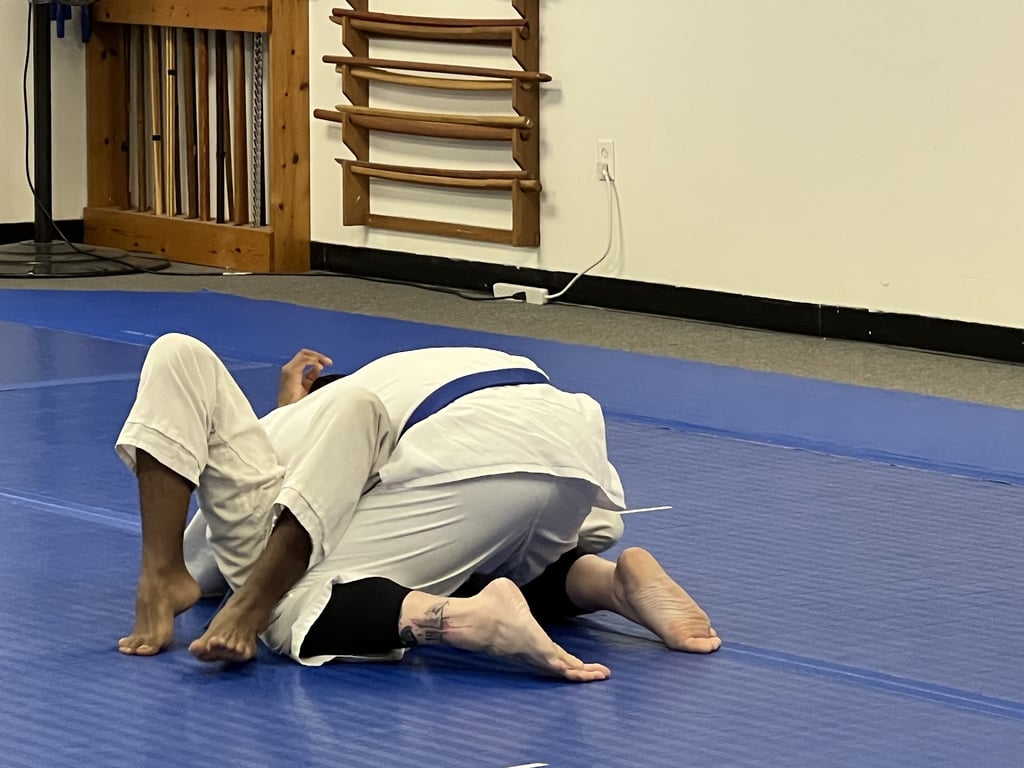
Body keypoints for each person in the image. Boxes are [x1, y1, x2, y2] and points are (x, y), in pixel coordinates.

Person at [115, 334, 719, 681]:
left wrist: (184, 577)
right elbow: (594, 524)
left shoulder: (301, 425)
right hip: (567, 448)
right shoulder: (402, 371)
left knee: (282, 604)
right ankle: (607, 584)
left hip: (470, 458)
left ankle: (465, 619)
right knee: (467, 550)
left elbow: (215, 564)